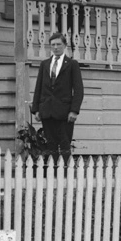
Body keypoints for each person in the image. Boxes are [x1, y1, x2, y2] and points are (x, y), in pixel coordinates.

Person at [30, 32, 84, 162]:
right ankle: (52, 173)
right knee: (51, 144)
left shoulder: (72, 64)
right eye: (53, 45)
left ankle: (65, 173)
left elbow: (78, 90)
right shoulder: (45, 64)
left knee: (65, 144)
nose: (55, 47)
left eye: (59, 44)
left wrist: (74, 110)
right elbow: (39, 87)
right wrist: (36, 109)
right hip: (47, 110)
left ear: (65, 45)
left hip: (65, 112)